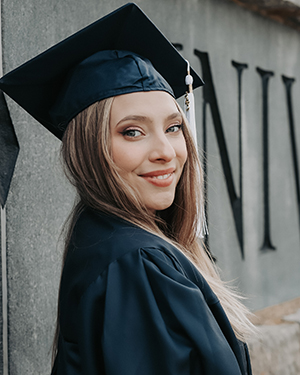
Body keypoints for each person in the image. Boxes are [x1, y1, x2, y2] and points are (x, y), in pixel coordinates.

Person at [0, 3, 254, 375]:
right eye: (132, 131)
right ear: (89, 148)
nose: (166, 153)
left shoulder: (103, 237)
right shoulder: (137, 265)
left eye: (173, 128)